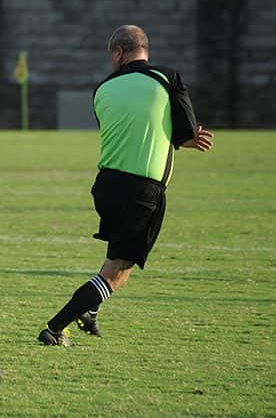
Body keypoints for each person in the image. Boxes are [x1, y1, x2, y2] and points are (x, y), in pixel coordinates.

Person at [38, 25, 214, 346]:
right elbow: (186, 130)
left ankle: (89, 312)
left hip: (105, 186)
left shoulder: (101, 90)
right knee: (118, 272)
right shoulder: (167, 77)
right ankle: (55, 327)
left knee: (115, 257)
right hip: (143, 191)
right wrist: (187, 138)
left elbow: (130, 127)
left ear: (119, 53)